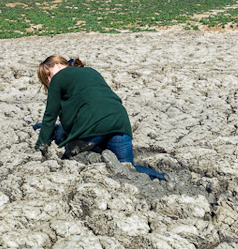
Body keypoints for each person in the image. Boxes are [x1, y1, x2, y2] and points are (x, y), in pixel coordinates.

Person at [34, 55, 164, 180]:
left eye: (48, 75)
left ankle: (99, 159)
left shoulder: (58, 78)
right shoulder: (91, 71)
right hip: (119, 121)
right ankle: (161, 177)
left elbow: (50, 116)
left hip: (92, 126)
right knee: (128, 167)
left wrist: (40, 146)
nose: (50, 80)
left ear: (57, 64)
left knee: (73, 161)